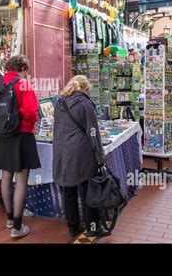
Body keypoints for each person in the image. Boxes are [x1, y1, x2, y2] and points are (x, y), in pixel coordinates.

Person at [0, 55, 40, 239]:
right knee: (21, 180)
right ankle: (17, 226)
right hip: (23, 134)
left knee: (6, 176)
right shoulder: (23, 84)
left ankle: (9, 219)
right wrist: (26, 123)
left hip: (3, 135)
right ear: (23, 68)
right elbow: (32, 112)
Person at [52, 75, 104, 238]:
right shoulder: (85, 103)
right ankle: (93, 227)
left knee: (69, 191)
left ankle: (73, 228)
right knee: (89, 189)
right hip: (81, 152)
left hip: (62, 151)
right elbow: (93, 131)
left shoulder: (59, 103)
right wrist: (99, 154)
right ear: (85, 88)